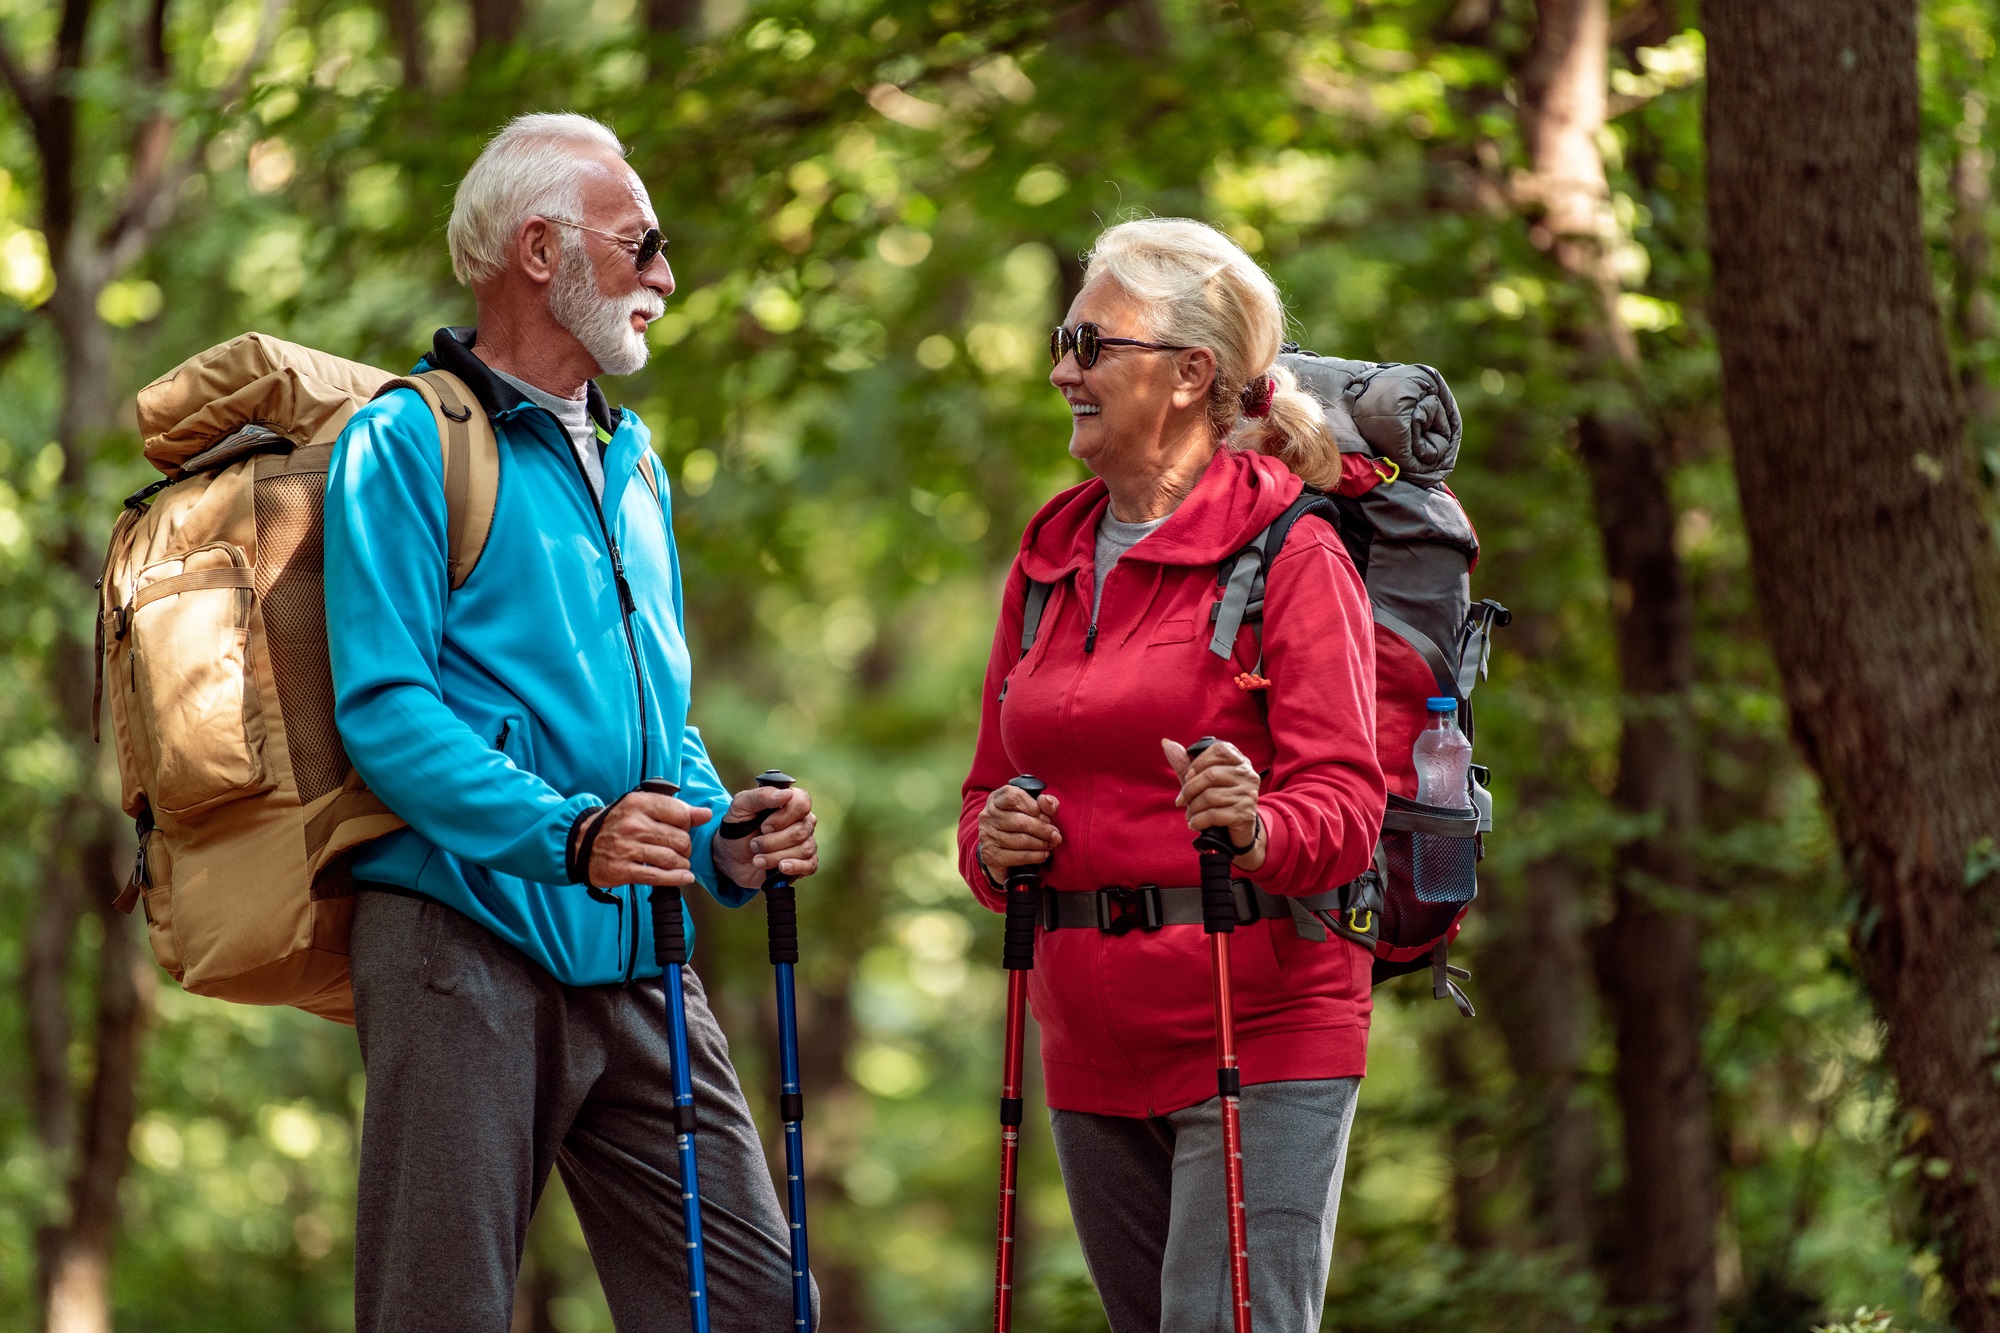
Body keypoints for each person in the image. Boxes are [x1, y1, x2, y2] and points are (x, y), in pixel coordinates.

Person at [325, 114, 818, 1332]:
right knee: (439, 1310)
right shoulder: (405, 440)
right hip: (460, 938)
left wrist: (719, 835)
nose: (665, 275)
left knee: (754, 1306)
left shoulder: (635, 460)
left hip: (637, 948)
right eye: (639, 242)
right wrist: (571, 836)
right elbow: (385, 710)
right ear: (540, 251)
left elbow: (658, 724)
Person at [959, 217, 1386, 1333]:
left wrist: (1256, 825)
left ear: (1191, 374)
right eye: (1064, 343)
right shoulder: (1047, 559)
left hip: (1260, 1026)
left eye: (1090, 345)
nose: (1063, 370)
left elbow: (1348, 807)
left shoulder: (1291, 551)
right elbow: (984, 792)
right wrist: (992, 841)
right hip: (1088, 1045)